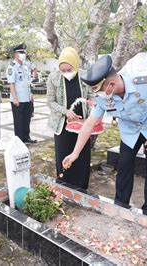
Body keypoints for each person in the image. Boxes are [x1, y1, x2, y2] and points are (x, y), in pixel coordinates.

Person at [62, 55, 147, 218]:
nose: (98, 94)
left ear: (111, 85)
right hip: (130, 133)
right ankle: (121, 206)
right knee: (124, 167)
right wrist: (75, 153)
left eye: (99, 90)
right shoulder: (103, 98)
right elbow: (89, 124)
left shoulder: (145, 82)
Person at [46, 47, 94, 190]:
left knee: (82, 157)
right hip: (63, 125)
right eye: (63, 70)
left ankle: (81, 188)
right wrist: (66, 111)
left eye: (69, 69)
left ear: (75, 65)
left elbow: (91, 96)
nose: (66, 73)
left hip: (82, 125)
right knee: (64, 155)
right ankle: (64, 188)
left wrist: (89, 116)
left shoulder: (86, 76)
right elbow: (50, 101)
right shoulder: (53, 77)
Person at [6, 43, 36, 144]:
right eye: (21, 52)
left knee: (27, 119)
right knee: (18, 121)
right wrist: (15, 98)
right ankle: (19, 140)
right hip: (18, 98)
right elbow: (11, 84)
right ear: (15, 54)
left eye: (24, 52)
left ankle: (26, 137)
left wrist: (31, 94)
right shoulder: (11, 67)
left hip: (27, 97)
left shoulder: (25, 65)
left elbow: (28, 82)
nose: (23, 54)